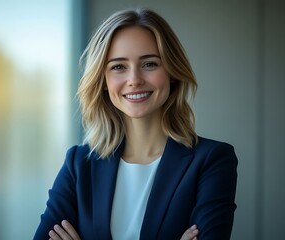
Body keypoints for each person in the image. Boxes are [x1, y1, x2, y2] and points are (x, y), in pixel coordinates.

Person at [34, 7, 237, 240]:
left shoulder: (212, 161)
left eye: (149, 64)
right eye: (119, 67)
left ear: (172, 71)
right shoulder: (79, 164)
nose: (134, 80)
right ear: (103, 80)